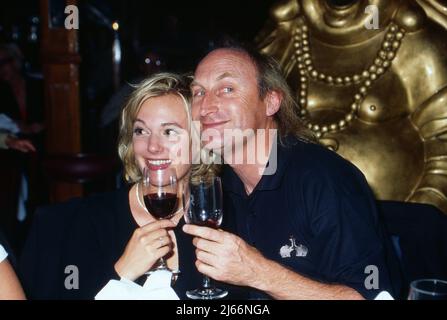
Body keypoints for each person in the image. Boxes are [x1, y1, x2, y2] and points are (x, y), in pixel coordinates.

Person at [183, 45, 399, 300]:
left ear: (271, 102)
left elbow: (371, 296)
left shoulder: (325, 179)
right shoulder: (221, 187)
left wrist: (258, 272)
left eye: (227, 89)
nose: (205, 106)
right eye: (198, 92)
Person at [20, 73, 242, 299]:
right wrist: (122, 272)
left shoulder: (224, 220)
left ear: (200, 141)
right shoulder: (78, 223)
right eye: (141, 131)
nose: (152, 147)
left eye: (169, 132)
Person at [255, 0, 447, 213]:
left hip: (395, 223)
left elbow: (442, 142)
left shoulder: (415, 44)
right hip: (298, 218)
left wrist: (423, 212)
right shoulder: (285, 42)